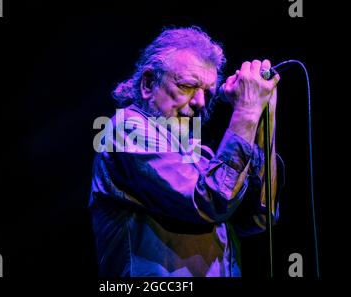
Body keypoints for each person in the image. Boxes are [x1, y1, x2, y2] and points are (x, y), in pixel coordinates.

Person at [89, 26, 284, 277]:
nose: (200, 102)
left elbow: (258, 218)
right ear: (148, 83)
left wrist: (265, 112)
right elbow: (212, 200)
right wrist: (246, 110)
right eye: (188, 86)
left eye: (208, 92)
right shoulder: (126, 130)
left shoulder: (195, 151)